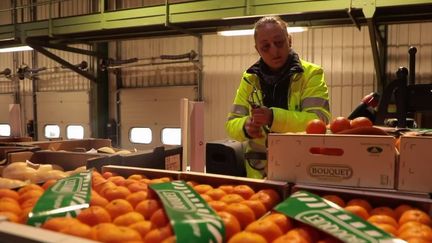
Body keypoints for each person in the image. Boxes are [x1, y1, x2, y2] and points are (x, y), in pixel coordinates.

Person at [225, 15, 331, 179]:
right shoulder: (249, 78)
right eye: (265, 47)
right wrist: (245, 126)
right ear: (257, 49)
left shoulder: (311, 74)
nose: (274, 51)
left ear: (289, 40)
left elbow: (319, 121)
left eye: (279, 43)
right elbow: (231, 124)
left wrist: (273, 117)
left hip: (302, 169)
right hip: (259, 174)